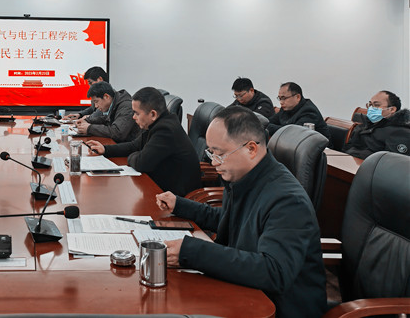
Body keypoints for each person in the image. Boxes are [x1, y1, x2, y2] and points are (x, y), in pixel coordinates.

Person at [155, 107, 326, 318]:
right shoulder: (244, 177)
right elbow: (233, 221)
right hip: (245, 291)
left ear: (251, 149)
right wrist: (180, 205)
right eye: (210, 153)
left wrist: (192, 252)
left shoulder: (288, 201)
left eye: (219, 154)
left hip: (277, 308)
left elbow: (274, 271)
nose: (213, 162)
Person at [86, 86, 200, 196]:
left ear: (153, 114)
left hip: (176, 196)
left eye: (137, 113)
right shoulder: (157, 123)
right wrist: (105, 149)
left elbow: (141, 163)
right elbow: (134, 145)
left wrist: (133, 156)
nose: (133, 117)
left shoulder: (165, 130)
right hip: (161, 186)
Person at [343, 90, 410, 158]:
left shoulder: (400, 133)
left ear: (392, 109)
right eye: (370, 105)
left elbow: (392, 161)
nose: (371, 108)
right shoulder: (366, 125)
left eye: (376, 105)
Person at [74, 82, 140, 142]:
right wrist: (87, 120)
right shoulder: (115, 102)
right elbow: (106, 119)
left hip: (130, 148)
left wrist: (89, 128)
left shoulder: (126, 106)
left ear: (106, 96)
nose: (96, 106)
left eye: (96, 101)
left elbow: (118, 132)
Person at [267, 82, 331, 140]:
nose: (281, 102)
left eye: (284, 98)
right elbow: (268, 122)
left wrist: (267, 126)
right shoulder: (286, 108)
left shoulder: (309, 111)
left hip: (320, 148)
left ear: (297, 97)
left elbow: (292, 133)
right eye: (280, 98)